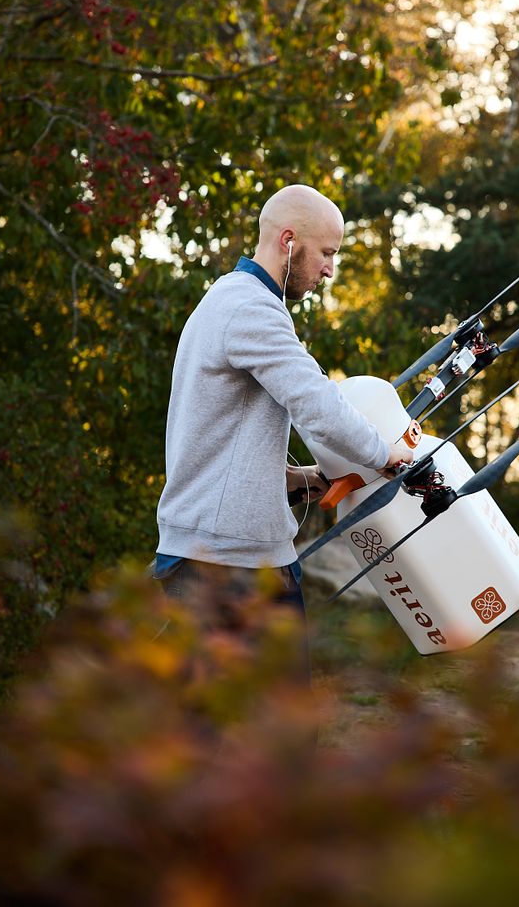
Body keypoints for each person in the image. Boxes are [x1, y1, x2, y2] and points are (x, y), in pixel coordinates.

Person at [154, 184, 413, 681]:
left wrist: (301, 479)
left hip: (225, 557)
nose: (330, 270)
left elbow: (220, 449)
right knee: (262, 740)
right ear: (289, 241)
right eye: (327, 253)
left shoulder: (231, 302)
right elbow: (317, 403)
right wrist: (386, 455)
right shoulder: (250, 308)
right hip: (228, 569)